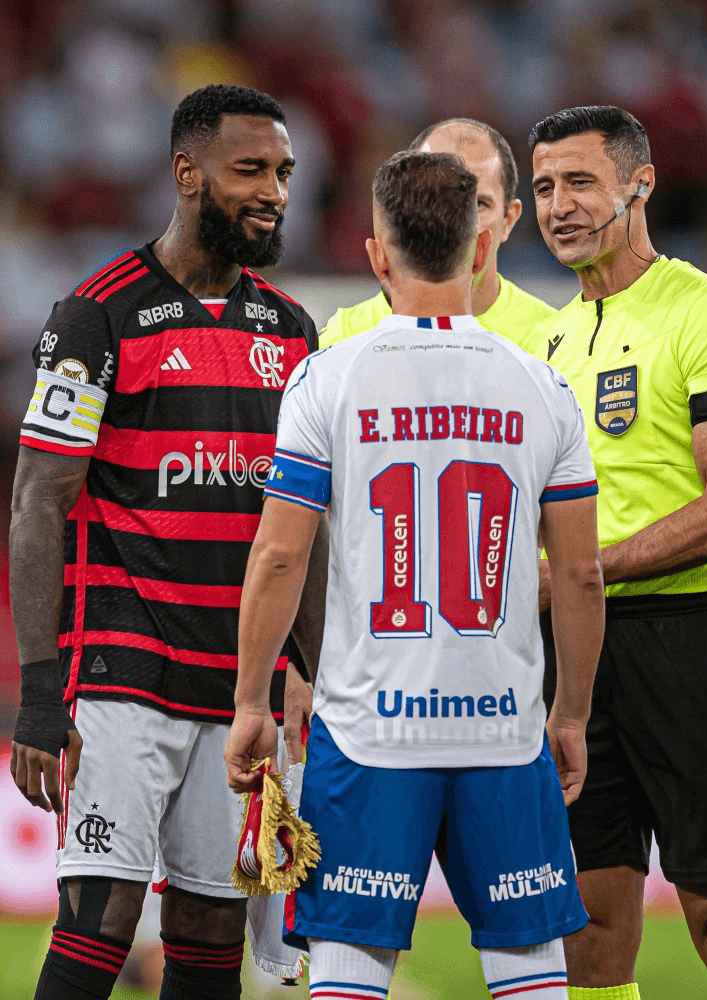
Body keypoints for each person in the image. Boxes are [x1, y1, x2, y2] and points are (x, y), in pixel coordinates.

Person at [225, 150, 606, 1000]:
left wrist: (254, 702)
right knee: (531, 970)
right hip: (505, 732)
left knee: (351, 969)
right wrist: (571, 715)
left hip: (368, 733)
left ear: (376, 257)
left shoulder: (327, 378)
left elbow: (281, 555)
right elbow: (579, 577)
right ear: (480, 250)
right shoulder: (543, 389)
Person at [9, 83, 327, 1000]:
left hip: (241, 687)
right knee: (100, 915)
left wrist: (305, 668)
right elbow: (38, 503)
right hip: (125, 669)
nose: (273, 190)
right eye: (250, 170)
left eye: (284, 173)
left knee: (209, 920)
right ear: (188, 174)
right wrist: (38, 696)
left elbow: (306, 523)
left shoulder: (290, 330)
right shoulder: (96, 316)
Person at [524, 105, 707, 1000]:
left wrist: (583, 571)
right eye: (544, 187)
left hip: (693, 641)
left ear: (639, 184)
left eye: (580, 183)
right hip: (576, 659)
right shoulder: (549, 343)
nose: (558, 206)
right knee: (589, 933)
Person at [319, 117, 554, 348]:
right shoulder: (344, 338)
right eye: (435, 199)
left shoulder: (551, 338)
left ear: (508, 220)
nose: (456, 221)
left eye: (478, 204)